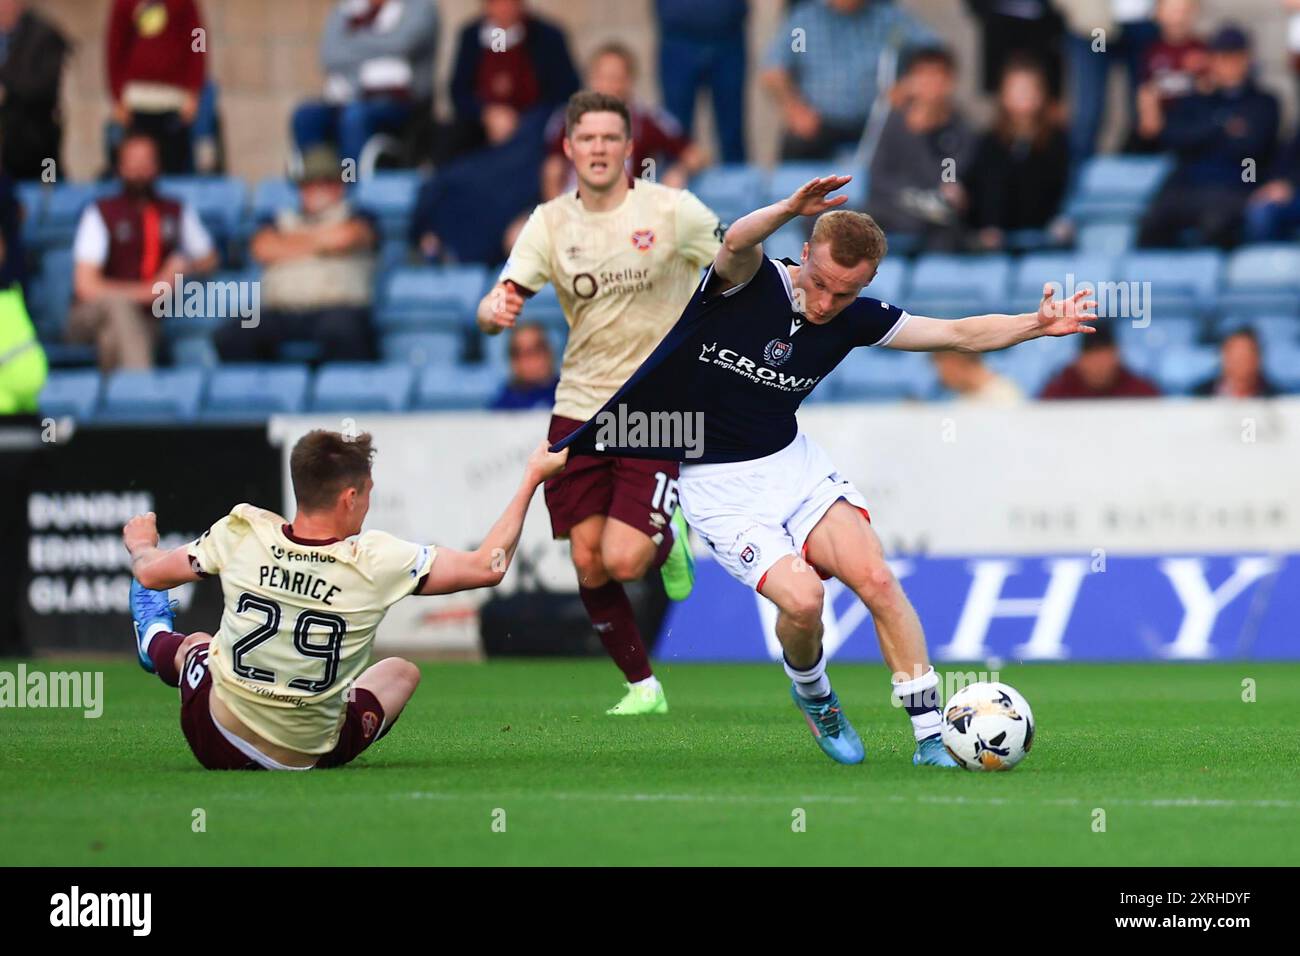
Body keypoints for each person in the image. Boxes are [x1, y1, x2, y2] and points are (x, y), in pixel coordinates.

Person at [553, 176, 1098, 766]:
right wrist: (789, 207)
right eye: (818, 284)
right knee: (806, 602)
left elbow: (957, 333)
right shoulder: (744, 283)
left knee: (878, 580)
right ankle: (816, 697)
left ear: (864, 284)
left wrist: (1036, 324)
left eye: (843, 295)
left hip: (793, 467)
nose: (823, 304)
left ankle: (930, 735)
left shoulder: (855, 318)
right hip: (716, 485)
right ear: (805, 254)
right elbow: (736, 239)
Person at [475, 91, 723, 716]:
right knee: (587, 560)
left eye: (612, 138)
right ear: (568, 147)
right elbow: (499, 296)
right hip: (579, 405)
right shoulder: (551, 222)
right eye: (588, 139)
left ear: (630, 147)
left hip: (656, 406)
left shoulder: (673, 210)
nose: (600, 149)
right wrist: (494, 310)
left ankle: (671, 541)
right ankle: (643, 688)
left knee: (624, 556)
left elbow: (733, 261)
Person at [122, 428, 568, 771]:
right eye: (368, 493)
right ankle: (310, 704)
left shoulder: (243, 531)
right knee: (401, 673)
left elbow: (150, 574)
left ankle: (155, 639)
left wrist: (143, 544)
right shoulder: (376, 560)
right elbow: (488, 566)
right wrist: (532, 478)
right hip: (303, 754)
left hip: (214, 737)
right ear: (349, 496)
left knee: (195, 644)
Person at [68, 132, 218, 371]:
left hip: (146, 321)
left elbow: (208, 257)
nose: (139, 171)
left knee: (112, 339)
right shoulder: (100, 212)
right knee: (118, 307)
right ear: (120, 168)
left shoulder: (174, 209)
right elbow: (86, 287)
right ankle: (141, 393)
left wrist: (181, 266)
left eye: (146, 162)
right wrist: (150, 291)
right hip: (89, 317)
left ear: (158, 166)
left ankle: (121, 402)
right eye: (132, 163)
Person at [215, 146, 376, 363]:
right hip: (282, 309)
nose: (317, 190)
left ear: (340, 185)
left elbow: (346, 237)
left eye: (326, 182)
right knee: (233, 334)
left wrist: (289, 245)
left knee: (342, 332)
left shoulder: (358, 214)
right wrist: (322, 244)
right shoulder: (278, 218)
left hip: (338, 307)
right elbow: (262, 248)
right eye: (310, 184)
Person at [1136, 25, 1279, 249]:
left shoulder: (1263, 102)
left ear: (1247, 59)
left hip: (1235, 186)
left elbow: (1251, 147)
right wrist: (1220, 125)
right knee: (1152, 222)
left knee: (1216, 224)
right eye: (1222, 57)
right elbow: (1173, 138)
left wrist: (1204, 132)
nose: (1228, 64)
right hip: (1188, 186)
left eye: (1234, 57)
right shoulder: (1198, 99)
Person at [760, 0, 938, 161]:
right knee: (795, 144)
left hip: (879, 119)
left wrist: (909, 88)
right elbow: (773, 70)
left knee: (920, 134)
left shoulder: (891, 18)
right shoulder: (804, 21)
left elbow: (936, 55)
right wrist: (793, 108)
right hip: (820, 123)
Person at [540, 43, 706, 201]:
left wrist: (678, 172)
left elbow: (695, 155)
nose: (606, 85)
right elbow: (552, 171)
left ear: (629, 81)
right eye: (601, 77)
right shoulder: (567, 119)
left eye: (615, 78)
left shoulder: (647, 120)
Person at [292, 0, 440, 167]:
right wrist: (381, 53)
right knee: (307, 115)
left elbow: (401, 44)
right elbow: (329, 55)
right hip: (345, 98)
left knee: (354, 117)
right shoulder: (346, 9)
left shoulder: (420, 7)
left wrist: (351, 41)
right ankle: (311, 181)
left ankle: (351, 182)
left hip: (401, 106)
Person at [865, 46, 976, 251]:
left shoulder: (959, 131)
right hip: (890, 210)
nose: (930, 85)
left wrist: (924, 131)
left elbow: (948, 179)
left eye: (937, 77)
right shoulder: (893, 122)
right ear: (910, 82)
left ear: (950, 82)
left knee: (945, 227)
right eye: (923, 76)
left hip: (931, 218)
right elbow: (877, 177)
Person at [446, 0, 579, 160]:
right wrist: (486, 114)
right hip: (480, 129)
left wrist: (521, 121)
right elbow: (459, 91)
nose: (504, 8)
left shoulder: (547, 37)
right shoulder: (473, 36)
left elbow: (565, 90)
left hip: (532, 129)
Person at [964, 56, 1069, 250]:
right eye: (1017, 89)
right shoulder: (990, 142)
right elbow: (978, 187)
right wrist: (989, 226)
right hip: (996, 242)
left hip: (1045, 240)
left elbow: (1064, 186)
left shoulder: (1057, 141)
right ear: (1004, 95)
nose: (1024, 96)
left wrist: (1060, 221)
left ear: (1041, 94)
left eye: (1029, 89)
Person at [106, 0, 206, 174]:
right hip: (136, 102)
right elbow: (115, 47)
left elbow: (198, 38)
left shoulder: (184, 3)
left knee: (176, 168)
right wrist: (117, 97)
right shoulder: (124, 3)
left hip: (175, 102)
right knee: (138, 169)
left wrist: (194, 91)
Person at [655, 0, 748, 164]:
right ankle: (674, 181)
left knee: (732, 129)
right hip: (678, 38)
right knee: (675, 130)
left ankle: (738, 185)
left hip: (728, 36)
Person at [0, 0, 71, 181]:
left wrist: (6, 88)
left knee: (49, 190)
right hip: (5, 149)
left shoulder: (46, 35)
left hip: (39, 143)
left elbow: (45, 87)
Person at [1127, 0, 1207, 152]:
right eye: (1173, 11)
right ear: (1158, 13)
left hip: (1193, 123)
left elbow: (1210, 88)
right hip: (1162, 125)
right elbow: (1145, 89)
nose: (1178, 17)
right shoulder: (1149, 51)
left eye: (1184, 11)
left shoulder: (1202, 49)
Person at [1039, 323, 1160, 398]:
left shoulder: (1140, 392)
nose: (1099, 368)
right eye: (1093, 360)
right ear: (1079, 360)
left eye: (1103, 360)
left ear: (1117, 356)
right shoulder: (1058, 392)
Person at [489, 322, 558, 410]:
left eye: (532, 352)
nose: (526, 360)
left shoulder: (571, 395)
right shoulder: (503, 405)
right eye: (517, 353)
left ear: (548, 353)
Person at [1192, 327, 1278, 398]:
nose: (1241, 362)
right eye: (1236, 355)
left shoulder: (1278, 397)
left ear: (1258, 358)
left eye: (1246, 355)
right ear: (1223, 356)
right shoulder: (1200, 395)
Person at [931, 351, 1024, 404]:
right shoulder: (960, 400)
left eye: (944, 370)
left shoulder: (1003, 396)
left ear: (955, 363)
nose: (941, 378)